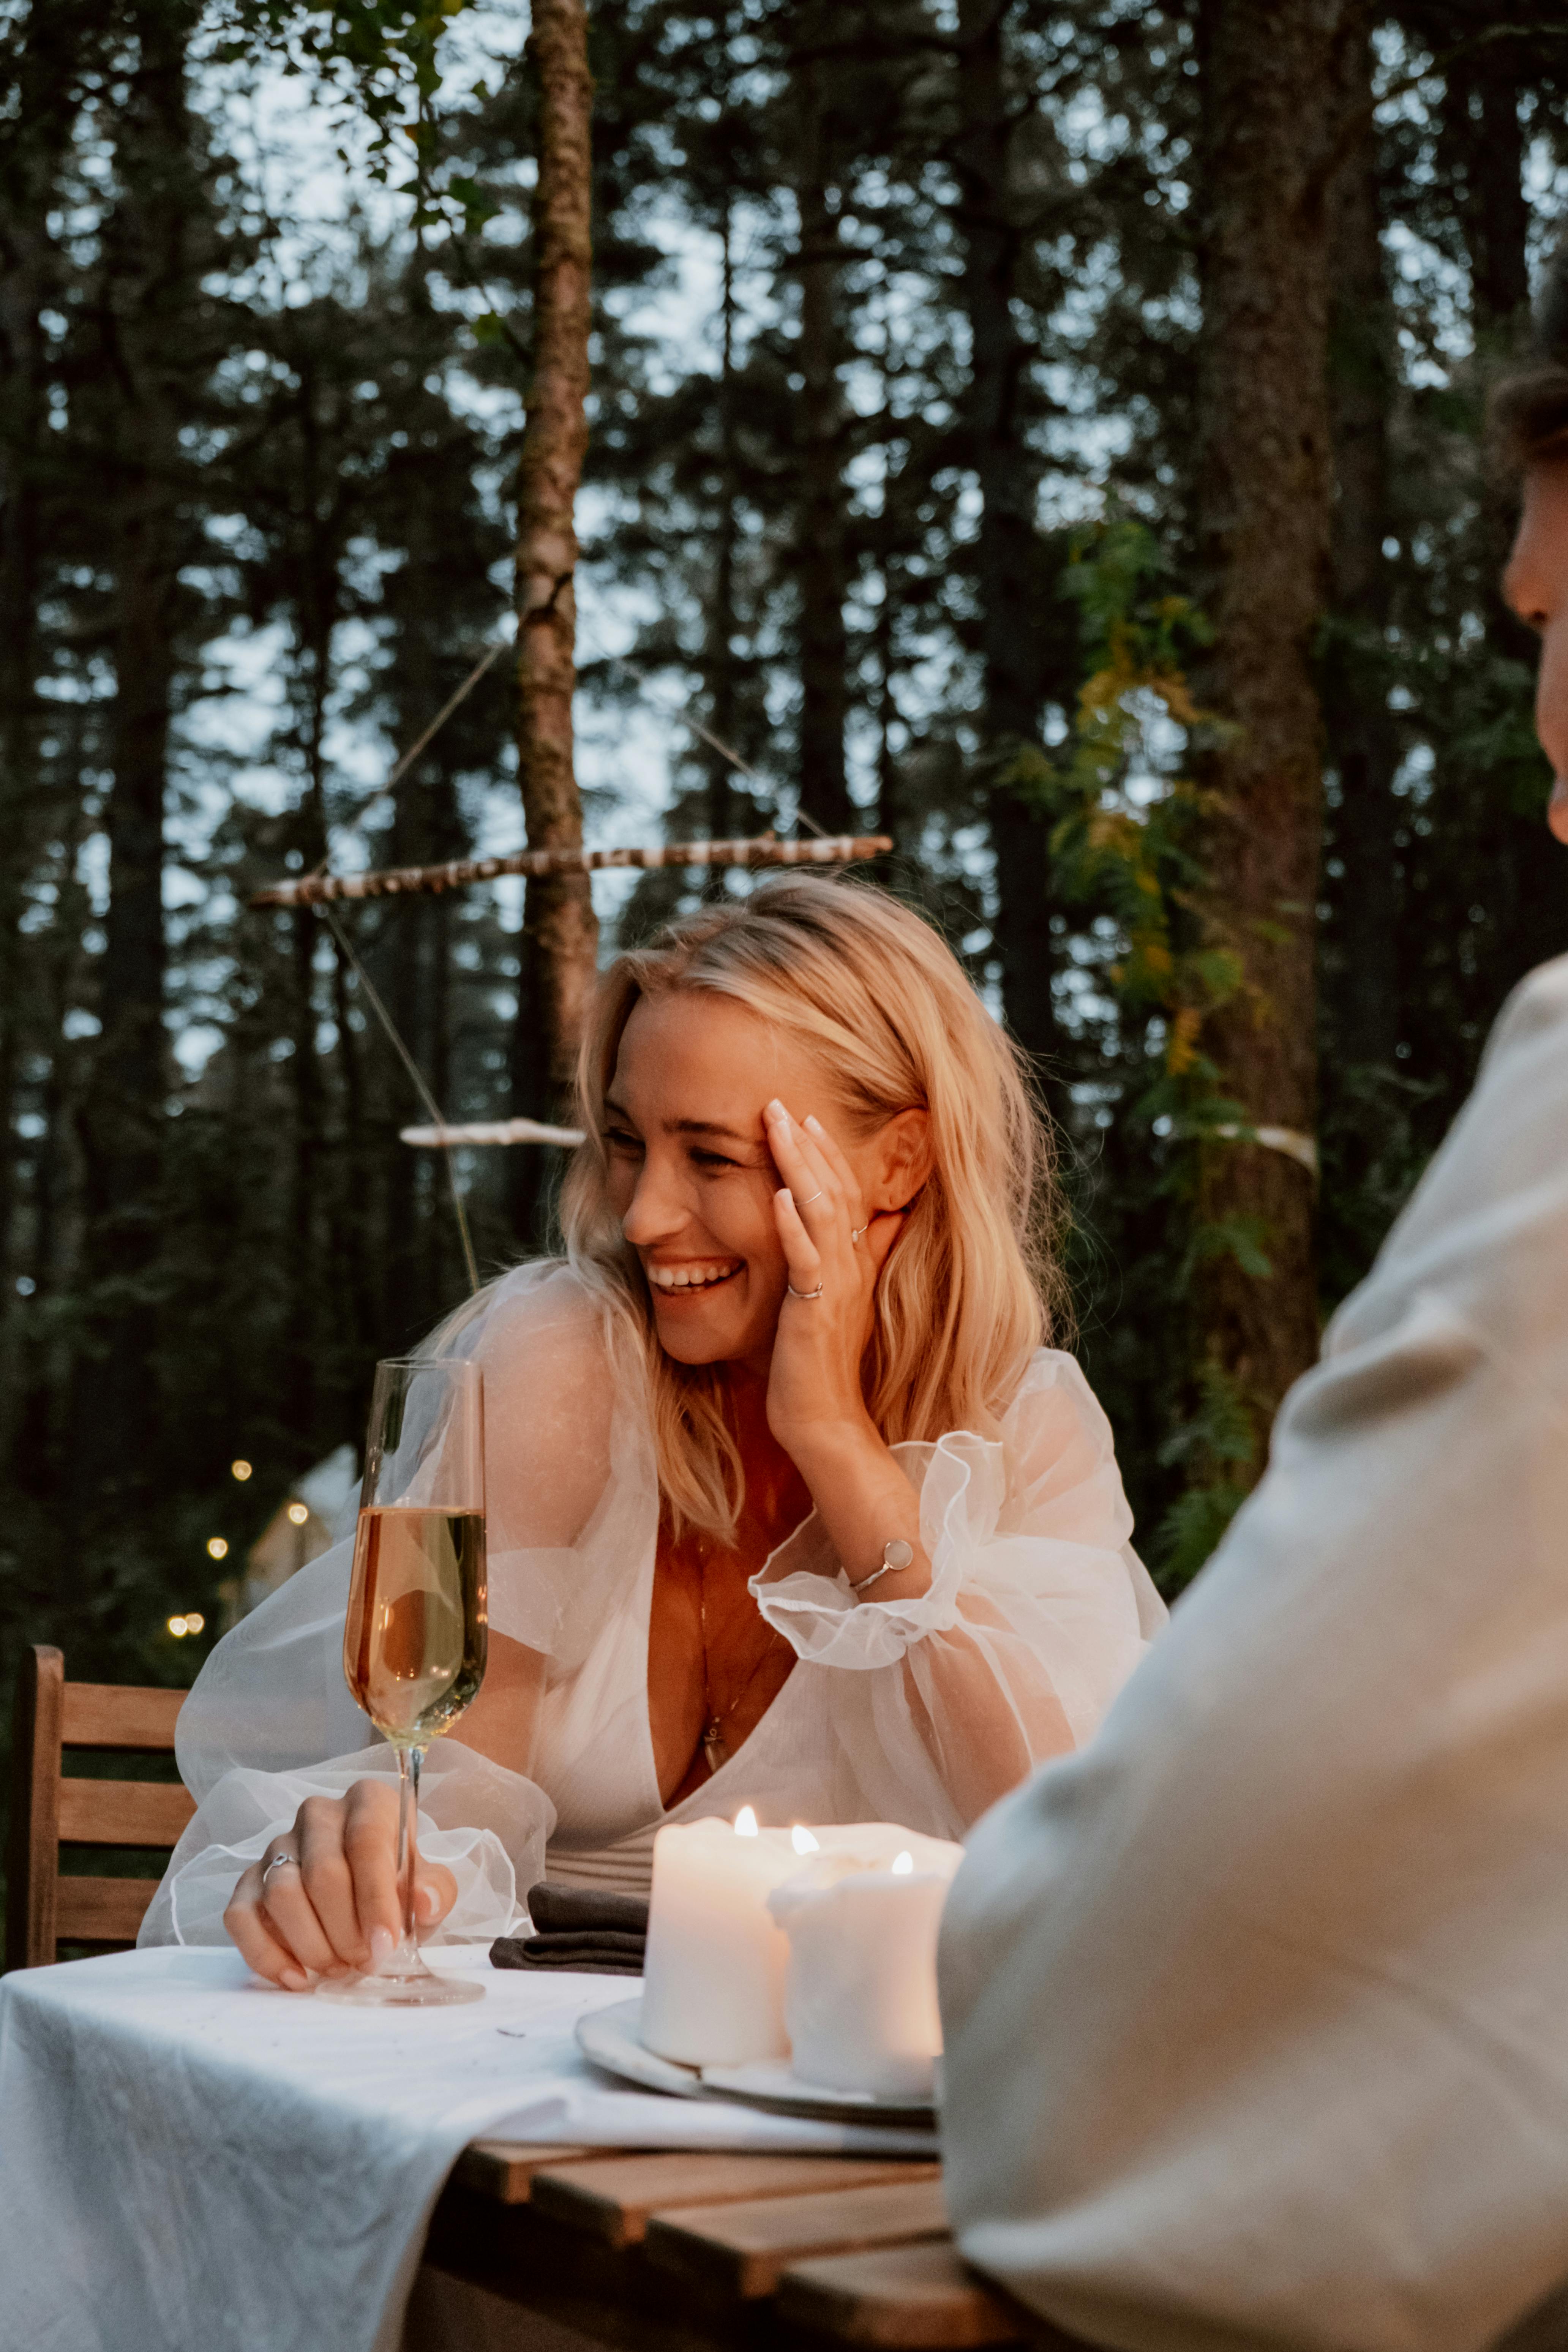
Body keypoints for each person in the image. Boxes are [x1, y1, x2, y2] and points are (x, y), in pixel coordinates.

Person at [938, 274, 1568, 2351]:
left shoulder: (1019, 1410)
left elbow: (1129, 2049)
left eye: (1553, 629)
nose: (1551, 785)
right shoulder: (538, 1382)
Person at [142, 877, 1163, 1986]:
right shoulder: (562, 1362)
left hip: (841, 2089)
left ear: (897, 1161)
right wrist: (373, 1863)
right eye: (628, 1141)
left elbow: (1074, 1861)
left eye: (713, 1158)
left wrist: (832, 1434)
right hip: (528, 2063)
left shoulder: (1027, 1425)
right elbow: (456, 1793)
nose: (640, 1216)